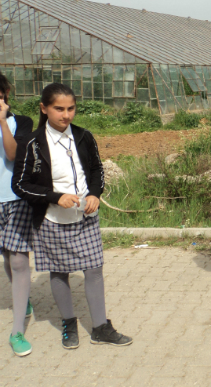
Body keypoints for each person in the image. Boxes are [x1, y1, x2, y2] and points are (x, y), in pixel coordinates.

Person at [12, 83, 132, 350]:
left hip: (85, 217)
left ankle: (100, 327)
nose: (66, 115)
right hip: (51, 220)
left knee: (94, 269)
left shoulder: (83, 136)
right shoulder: (31, 143)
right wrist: (56, 197)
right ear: (44, 108)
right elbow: (20, 185)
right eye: (59, 109)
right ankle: (68, 322)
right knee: (59, 271)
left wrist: (95, 194)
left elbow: (96, 169)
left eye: (71, 109)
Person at [0, 74, 34, 356]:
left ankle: (17, 331)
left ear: (6, 93)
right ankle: (24, 301)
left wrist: (1, 120)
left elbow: (12, 155)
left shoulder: (22, 123)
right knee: (6, 256)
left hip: (16, 199)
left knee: (19, 259)